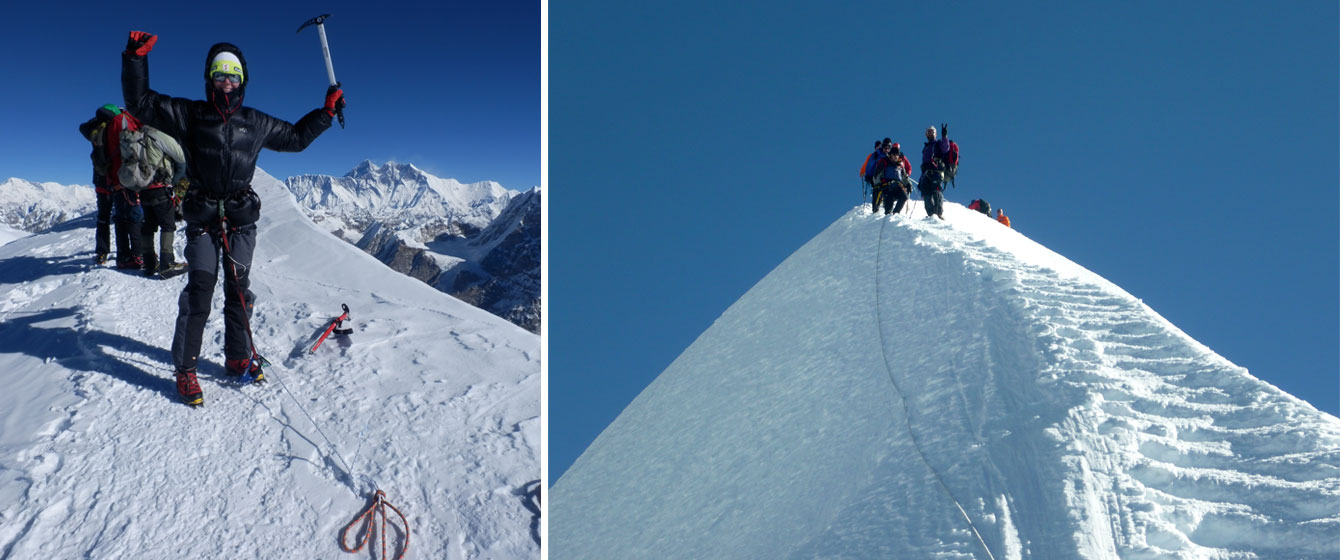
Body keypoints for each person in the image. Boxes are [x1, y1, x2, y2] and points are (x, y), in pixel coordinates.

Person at [122, 31, 344, 406]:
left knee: (239, 292)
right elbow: (142, 103)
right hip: (204, 219)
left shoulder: (255, 122)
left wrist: (324, 114)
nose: (227, 82)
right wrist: (134, 59)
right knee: (199, 292)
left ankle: (238, 356)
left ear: (243, 81)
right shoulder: (189, 114)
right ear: (209, 79)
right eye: (220, 75)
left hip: (240, 219)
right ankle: (186, 370)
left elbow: (294, 138)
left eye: (233, 76)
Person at [77, 105, 120, 265]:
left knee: (103, 218)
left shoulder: (95, 132)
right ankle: (126, 252)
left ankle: (102, 252)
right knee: (123, 218)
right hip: (118, 181)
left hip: (101, 180)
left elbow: (83, 127)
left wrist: (98, 120)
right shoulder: (118, 130)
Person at [919, 124, 952, 219]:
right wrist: (920, 180)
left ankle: (938, 213)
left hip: (936, 171)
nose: (930, 134)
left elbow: (946, 148)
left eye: (932, 132)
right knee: (926, 194)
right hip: (926, 173)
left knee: (936, 191)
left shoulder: (938, 144)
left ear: (935, 134)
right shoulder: (926, 147)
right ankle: (931, 215)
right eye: (928, 132)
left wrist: (944, 136)